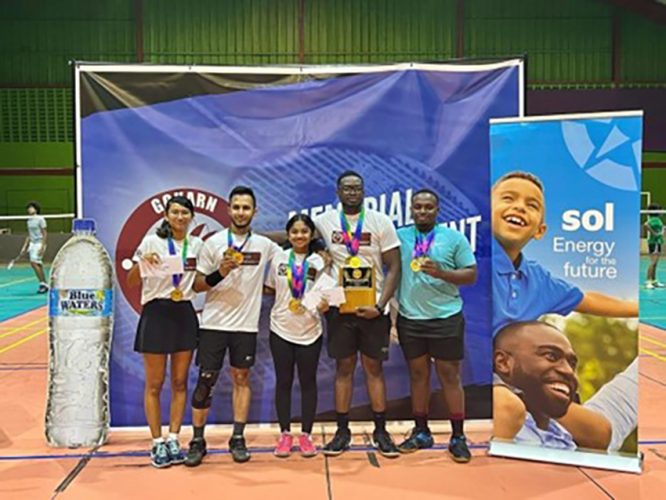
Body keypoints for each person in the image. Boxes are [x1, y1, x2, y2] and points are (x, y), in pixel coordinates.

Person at [491, 171, 638, 447]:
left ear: (540, 231)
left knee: (598, 431)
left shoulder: (538, 279)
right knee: (507, 408)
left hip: (519, 379)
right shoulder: (469, 257)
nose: (520, 206)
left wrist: (637, 308)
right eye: (508, 198)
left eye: (531, 205)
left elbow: (587, 300)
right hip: (470, 374)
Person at [185, 186, 280, 466]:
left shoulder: (264, 245)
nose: (241, 212)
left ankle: (238, 438)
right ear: (228, 210)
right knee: (206, 382)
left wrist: (321, 251)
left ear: (255, 211)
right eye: (236, 207)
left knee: (242, 379)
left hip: (246, 327)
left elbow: (292, 244)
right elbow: (197, 284)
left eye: (246, 207)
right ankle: (197, 440)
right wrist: (221, 272)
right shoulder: (213, 243)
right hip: (214, 324)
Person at [313, 170, 402, 458]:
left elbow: (394, 267)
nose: (352, 192)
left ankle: (381, 431)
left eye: (357, 188)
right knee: (344, 369)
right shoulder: (325, 221)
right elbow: (295, 236)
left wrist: (380, 306)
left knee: (374, 369)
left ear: (364, 192)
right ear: (337, 192)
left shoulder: (380, 222)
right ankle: (342, 432)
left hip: (373, 309)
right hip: (341, 309)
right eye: (346, 188)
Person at [395, 189, 477, 463]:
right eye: (417, 207)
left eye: (428, 207)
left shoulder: (453, 238)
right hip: (410, 318)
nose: (422, 212)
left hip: (446, 317)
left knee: (449, 376)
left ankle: (458, 437)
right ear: (410, 209)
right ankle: (421, 432)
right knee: (418, 375)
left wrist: (441, 273)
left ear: (437, 210)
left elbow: (471, 274)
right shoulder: (400, 236)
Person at [126, 196, 203, 468]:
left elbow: (202, 280)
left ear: (191, 217)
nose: (180, 217)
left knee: (180, 382)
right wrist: (142, 263)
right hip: (156, 314)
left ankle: (174, 437)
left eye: (185, 213)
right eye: (175, 212)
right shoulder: (151, 242)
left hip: (184, 312)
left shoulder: (198, 245)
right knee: (155, 384)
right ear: (167, 215)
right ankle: (157, 442)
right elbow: (131, 280)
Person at [264, 214, 329, 458]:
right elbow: (272, 288)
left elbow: (329, 296)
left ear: (312, 235)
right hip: (280, 327)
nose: (299, 236)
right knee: (283, 381)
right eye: (294, 232)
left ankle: (306, 435)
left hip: (310, 330)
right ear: (288, 235)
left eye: (304, 232)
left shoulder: (321, 261)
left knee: (308, 382)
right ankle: (284, 434)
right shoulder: (278, 258)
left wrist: (321, 304)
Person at [494, 321, 579, 450]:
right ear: (503, 363)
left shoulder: (565, 440)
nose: (568, 371)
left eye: (572, 364)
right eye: (551, 356)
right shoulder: (485, 429)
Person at [19, 201, 48, 293]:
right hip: (32, 243)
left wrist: (43, 246)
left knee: (34, 262)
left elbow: (44, 233)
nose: (30, 209)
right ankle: (44, 284)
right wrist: (24, 247)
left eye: (32, 207)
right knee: (37, 264)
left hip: (39, 242)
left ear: (36, 209)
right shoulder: (29, 221)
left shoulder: (40, 219)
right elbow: (29, 235)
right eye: (29, 208)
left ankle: (43, 283)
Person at [645, 203, 664, 289]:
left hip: (659, 242)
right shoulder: (653, 219)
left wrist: (662, 231)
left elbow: (661, 228)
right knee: (652, 262)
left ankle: (654, 281)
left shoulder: (658, 219)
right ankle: (648, 281)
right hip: (654, 242)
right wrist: (654, 233)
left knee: (655, 263)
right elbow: (646, 225)